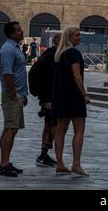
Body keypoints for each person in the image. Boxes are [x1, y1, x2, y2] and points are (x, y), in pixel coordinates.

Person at [52, 27, 91, 176]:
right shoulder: (74, 53)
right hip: (74, 96)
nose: (80, 37)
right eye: (77, 35)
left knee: (60, 130)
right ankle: (76, 164)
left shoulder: (59, 54)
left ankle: (60, 163)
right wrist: (84, 94)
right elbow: (76, 75)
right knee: (79, 131)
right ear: (69, 37)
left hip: (61, 97)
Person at [0, 22, 28, 178]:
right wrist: (13, 94)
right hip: (12, 95)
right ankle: (4, 164)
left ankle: (5, 162)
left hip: (17, 94)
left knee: (11, 128)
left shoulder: (15, 47)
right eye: (18, 30)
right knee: (11, 128)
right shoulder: (8, 49)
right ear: (11, 34)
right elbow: (7, 74)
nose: (21, 31)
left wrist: (23, 94)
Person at [36, 33, 61, 167]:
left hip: (50, 97)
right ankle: (43, 156)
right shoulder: (52, 56)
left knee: (49, 125)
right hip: (50, 98)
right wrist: (46, 99)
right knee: (54, 126)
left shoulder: (51, 54)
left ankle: (43, 156)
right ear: (58, 42)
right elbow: (46, 80)